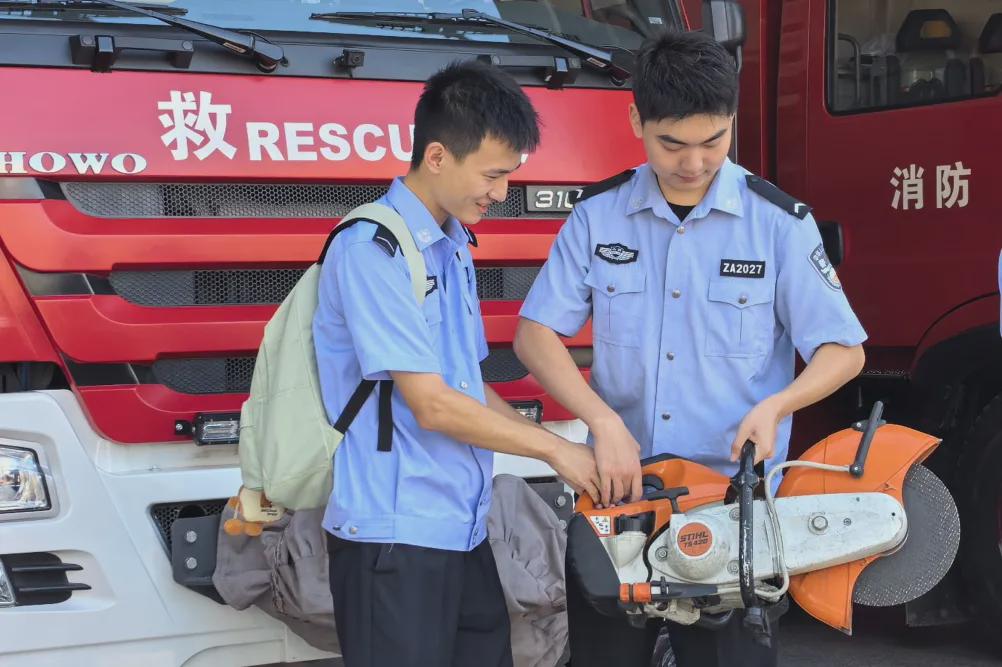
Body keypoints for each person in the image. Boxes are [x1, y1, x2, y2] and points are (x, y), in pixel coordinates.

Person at [514, 30, 868, 666]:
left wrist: (778, 405)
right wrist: (599, 420)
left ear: (733, 122)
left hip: (731, 508)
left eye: (714, 141)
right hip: (618, 498)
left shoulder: (778, 225)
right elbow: (535, 335)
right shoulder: (598, 217)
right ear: (637, 121)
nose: (694, 162)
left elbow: (845, 351)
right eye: (672, 143)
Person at [313, 61, 601, 667]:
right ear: (438, 156)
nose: (500, 192)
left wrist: (562, 448)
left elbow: (468, 387)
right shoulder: (373, 250)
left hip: (461, 530)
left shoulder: (452, 247)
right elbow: (433, 404)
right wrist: (554, 451)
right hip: (394, 539)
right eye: (493, 175)